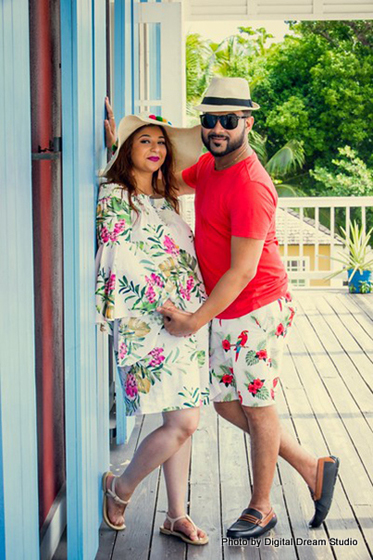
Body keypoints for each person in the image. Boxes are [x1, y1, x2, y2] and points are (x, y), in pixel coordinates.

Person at [157, 77, 340, 539]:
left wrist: (194, 320)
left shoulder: (250, 184)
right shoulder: (210, 166)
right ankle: (310, 465)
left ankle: (262, 506)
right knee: (225, 404)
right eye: (209, 120)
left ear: (248, 123)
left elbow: (241, 271)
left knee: (257, 407)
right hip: (226, 308)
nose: (217, 128)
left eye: (229, 120)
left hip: (256, 306)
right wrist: (123, 137)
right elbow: (177, 154)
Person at [96, 100, 212, 545]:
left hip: (186, 323)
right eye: (144, 140)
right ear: (126, 151)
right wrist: (171, 308)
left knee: (177, 421)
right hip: (153, 323)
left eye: (161, 142)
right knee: (182, 423)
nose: (156, 147)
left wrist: (194, 313)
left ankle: (176, 515)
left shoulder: (167, 199)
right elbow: (121, 258)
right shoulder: (114, 195)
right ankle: (120, 488)